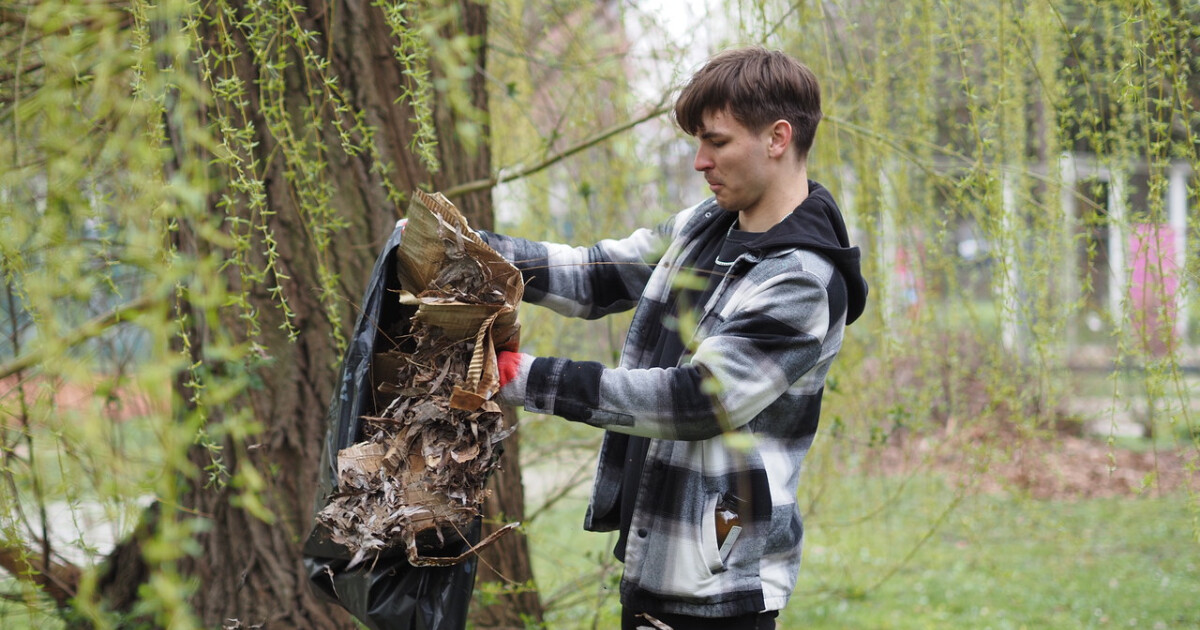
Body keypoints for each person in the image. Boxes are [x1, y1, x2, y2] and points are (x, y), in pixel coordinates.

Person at [481, 46, 868, 630]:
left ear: (777, 138)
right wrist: (472, 253)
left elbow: (694, 401)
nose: (699, 162)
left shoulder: (803, 280)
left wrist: (521, 377)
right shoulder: (704, 227)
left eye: (716, 142)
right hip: (658, 553)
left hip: (721, 583)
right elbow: (597, 274)